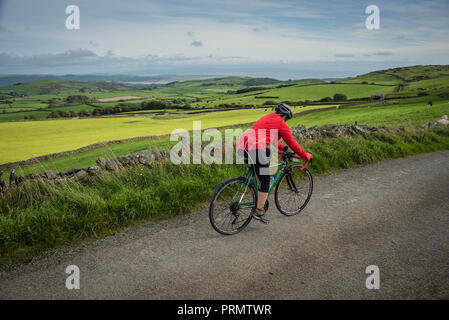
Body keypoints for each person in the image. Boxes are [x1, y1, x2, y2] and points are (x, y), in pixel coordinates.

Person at [237, 103, 312, 224]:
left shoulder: (268, 118)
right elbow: (292, 142)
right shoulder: (281, 124)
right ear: (285, 116)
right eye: (287, 119)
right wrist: (304, 155)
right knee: (266, 180)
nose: (286, 121)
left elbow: (270, 139)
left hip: (242, 145)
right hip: (255, 148)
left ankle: (255, 177)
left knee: (266, 153)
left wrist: (282, 149)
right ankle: (259, 211)